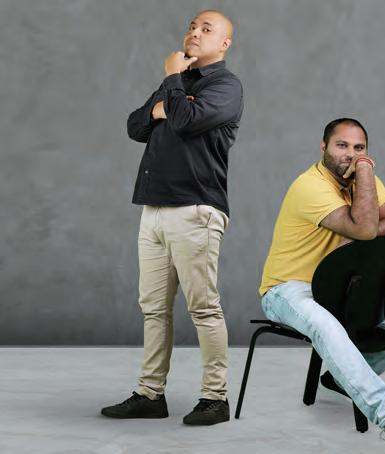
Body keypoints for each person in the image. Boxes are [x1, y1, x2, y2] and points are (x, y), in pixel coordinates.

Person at [101, 10, 243, 426]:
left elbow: (183, 121)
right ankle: (150, 394)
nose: (194, 33)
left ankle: (215, 399)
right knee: (153, 309)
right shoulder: (180, 80)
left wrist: (171, 87)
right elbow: (135, 126)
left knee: (203, 309)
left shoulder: (225, 86)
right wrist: (165, 101)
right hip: (154, 210)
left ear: (224, 44)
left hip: (195, 209)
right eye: (192, 26)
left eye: (206, 29)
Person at [259, 118, 385, 444]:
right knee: (328, 327)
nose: (350, 155)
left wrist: (363, 185)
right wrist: (366, 169)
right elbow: (365, 229)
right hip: (288, 288)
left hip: (337, 284)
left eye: (359, 148)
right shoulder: (310, 186)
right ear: (323, 147)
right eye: (342, 145)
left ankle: (344, 380)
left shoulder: (361, 182)